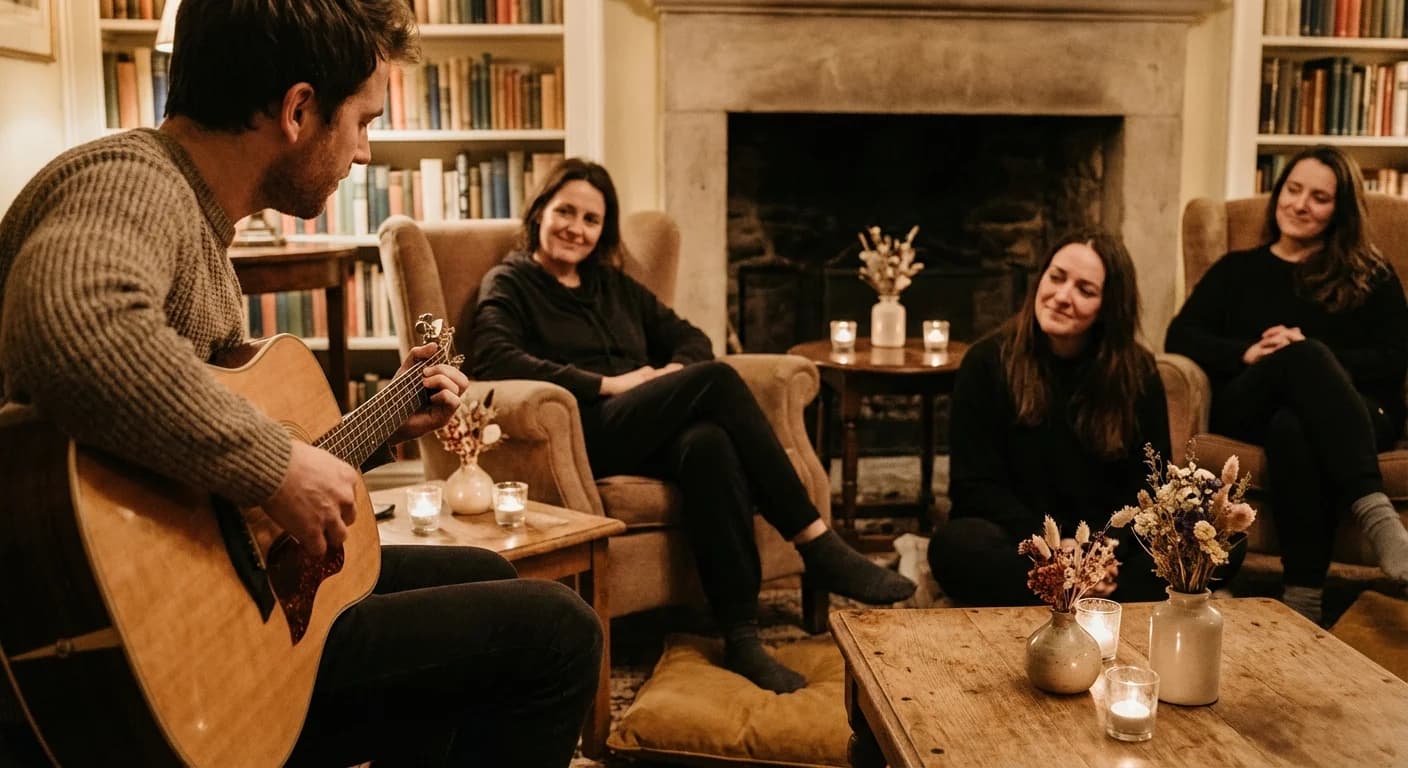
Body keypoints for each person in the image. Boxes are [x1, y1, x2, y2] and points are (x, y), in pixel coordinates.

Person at [0, 2, 600, 766]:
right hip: (154, 644)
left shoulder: (198, 225)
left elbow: (206, 474)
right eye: (362, 121)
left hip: (208, 602)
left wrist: (375, 428)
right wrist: (278, 465)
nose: (366, 153)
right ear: (298, 109)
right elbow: (74, 330)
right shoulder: (131, 182)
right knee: (557, 633)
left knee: (480, 570)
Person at [468, 158, 916, 694]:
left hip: (643, 426)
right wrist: (610, 385)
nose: (575, 228)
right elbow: (493, 356)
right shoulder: (512, 281)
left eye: (591, 219)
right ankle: (817, 541)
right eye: (565, 211)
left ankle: (742, 636)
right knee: (719, 381)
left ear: (601, 231)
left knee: (709, 445)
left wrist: (667, 376)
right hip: (583, 432)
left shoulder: (612, 285)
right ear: (540, 212)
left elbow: (690, 338)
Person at [1165, 144, 1408, 624]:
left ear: (1339, 209)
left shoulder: (1369, 274)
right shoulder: (1237, 269)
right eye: (1293, 190)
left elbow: (1393, 358)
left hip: (1357, 415)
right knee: (1301, 362)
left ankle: (1303, 599)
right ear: (1279, 193)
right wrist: (1246, 353)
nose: (1300, 204)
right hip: (1248, 405)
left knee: (1294, 425)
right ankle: (1377, 516)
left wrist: (1312, 353)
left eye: (1318, 197)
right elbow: (1180, 335)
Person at [927, 230, 1179, 607]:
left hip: (1108, 550)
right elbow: (974, 489)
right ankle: (1081, 596)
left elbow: (1149, 489)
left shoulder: (1137, 372)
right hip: (1023, 544)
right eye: (1056, 277)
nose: (1062, 297)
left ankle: (1077, 593)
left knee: (1204, 542)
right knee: (954, 545)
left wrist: (1100, 555)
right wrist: (1052, 552)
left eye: (1085, 290)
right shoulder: (986, 362)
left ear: (1109, 307)